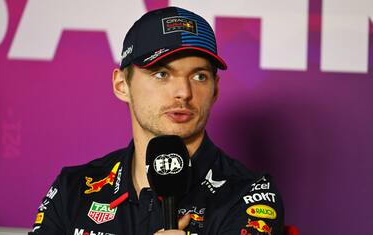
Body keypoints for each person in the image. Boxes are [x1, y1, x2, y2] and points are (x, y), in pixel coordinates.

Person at [30, 6, 284, 235]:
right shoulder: (74, 188)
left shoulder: (248, 195)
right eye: (162, 74)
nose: (184, 92)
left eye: (199, 77)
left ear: (215, 90)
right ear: (122, 85)